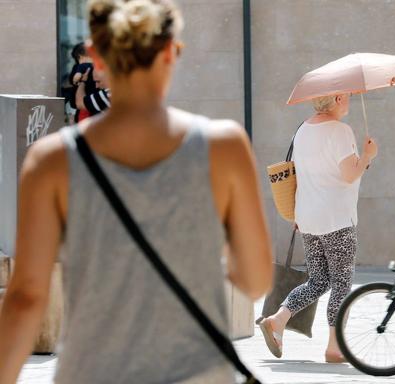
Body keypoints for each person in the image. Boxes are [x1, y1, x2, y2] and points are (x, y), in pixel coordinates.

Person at [0, 0, 272, 383]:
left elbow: (27, 296)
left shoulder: (51, 160)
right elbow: (256, 278)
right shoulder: (223, 146)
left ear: (95, 57)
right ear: (170, 53)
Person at [259, 93, 378, 363]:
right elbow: (349, 175)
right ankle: (335, 348)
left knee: (318, 281)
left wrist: (363, 161)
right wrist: (368, 154)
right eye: (346, 96)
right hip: (336, 219)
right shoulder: (340, 130)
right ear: (337, 98)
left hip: (308, 218)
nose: (348, 100)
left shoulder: (303, 130)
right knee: (340, 284)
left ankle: (277, 320)